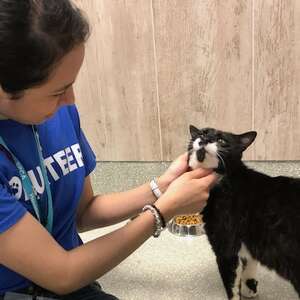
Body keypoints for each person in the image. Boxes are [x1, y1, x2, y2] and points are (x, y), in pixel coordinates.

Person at [0, 1, 217, 299]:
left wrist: (162, 186)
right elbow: (62, 274)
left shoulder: (58, 114)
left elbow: (84, 213)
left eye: (72, 84)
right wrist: (162, 212)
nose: (71, 100)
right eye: (58, 90)